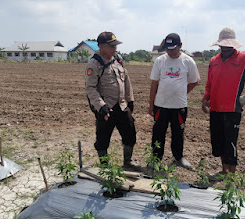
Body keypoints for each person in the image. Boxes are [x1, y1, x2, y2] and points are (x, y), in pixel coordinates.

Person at [202, 27, 245, 175]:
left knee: (230, 142)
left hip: (233, 109)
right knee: (218, 142)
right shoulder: (214, 61)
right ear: (219, 45)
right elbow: (210, 82)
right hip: (215, 108)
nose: (225, 48)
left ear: (233, 45)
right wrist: (206, 98)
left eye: (228, 45)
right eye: (223, 45)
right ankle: (223, 171)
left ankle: (231, 175)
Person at [85, 31, 139, 169]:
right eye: (111, 46)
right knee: (102, 139)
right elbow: (90, 88)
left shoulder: (118, 59)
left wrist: (130, 99)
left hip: (121, 105)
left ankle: (128, 162)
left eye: (115, 45)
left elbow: (126, 80)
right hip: (106, 108)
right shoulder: (94, 64)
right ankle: (105, 166)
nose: (115, 48)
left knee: (130, 133)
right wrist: (100, 106)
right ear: (101, 46)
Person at [149, 33, 200, 169]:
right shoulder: (160, 61)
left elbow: (194, 81)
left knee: (178, 133)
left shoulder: (188, 61)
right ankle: (155, 159)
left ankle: (178, 157)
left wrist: (183, 92)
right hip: (161, 105)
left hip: (179, 106)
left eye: (173, 48)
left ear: (180, 46)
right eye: (168, 49)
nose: (170, 51)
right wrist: (151, 104)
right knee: (158, 133)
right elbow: (154, 83)